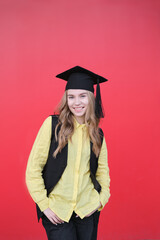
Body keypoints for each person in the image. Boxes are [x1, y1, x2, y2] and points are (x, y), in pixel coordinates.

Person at [26, 66, 111, 240]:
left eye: (82, 96)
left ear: (91, 99)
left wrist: (101, 200)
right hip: (58, 210)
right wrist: (44, 205)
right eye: (71, 97)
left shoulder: (97, 134)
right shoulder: (52, 125)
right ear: (66, 99)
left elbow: (103, 172)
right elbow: (33, 168)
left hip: (86, 210)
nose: (76, 102)